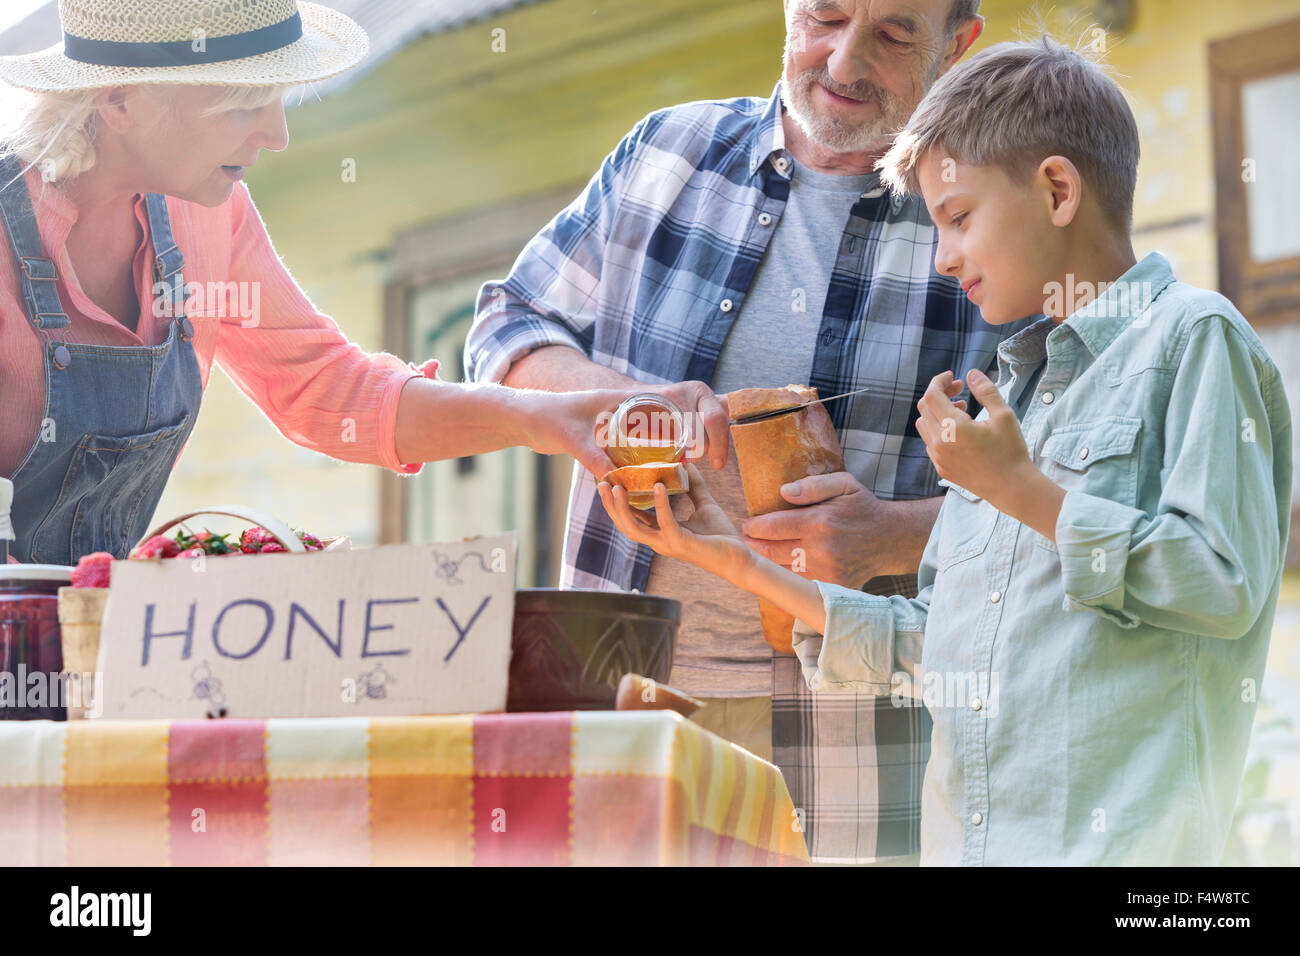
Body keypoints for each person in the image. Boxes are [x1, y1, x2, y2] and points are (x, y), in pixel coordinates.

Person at [597, 35, 1292, 865]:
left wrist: (1021, 492)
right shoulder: (1015, 395)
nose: (946, 255)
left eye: (959, 218)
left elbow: (1222, 583)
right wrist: (738, 563)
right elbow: (938, 647)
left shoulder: (1193, 339)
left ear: (1059, 190)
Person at [465, 0, 1032, 863]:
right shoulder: (665, 152)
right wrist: (622, 404)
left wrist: (896, 536)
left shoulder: (990, 218)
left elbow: (1069, 498)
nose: (843, 63)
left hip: (864, 724)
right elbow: (507, 330)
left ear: (958, 47)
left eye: (892, 35)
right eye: (825, 17)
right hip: (620, 696)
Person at [0, 0, 628, 566]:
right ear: (119, 100)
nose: (277, 135)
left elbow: (328, 389)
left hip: (96, 650)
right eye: (244, 103)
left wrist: (534, 416)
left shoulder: (210, 219)